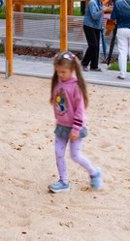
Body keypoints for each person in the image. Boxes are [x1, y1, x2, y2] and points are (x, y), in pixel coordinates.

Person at [48, 51, 102, 193]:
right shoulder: (58, 83)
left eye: (63, 72)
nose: (60, 75)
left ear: (72, 69)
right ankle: (63, 181)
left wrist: (76, 128)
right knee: (58, 153)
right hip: (61, 127)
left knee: (75, 155)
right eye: (58, 72)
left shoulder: (76, 86)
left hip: (74, 128)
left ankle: (94, 172)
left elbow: (80, 110)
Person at [81, 0, 111, 71]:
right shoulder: (92, 2)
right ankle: (84, 64)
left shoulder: (101, 2)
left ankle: (94, 66)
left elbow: (101, 15)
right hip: (89, 26)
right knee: (93, 45)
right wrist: (103, 10)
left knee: (97, 46)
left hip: (97, 27)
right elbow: (94, 16)